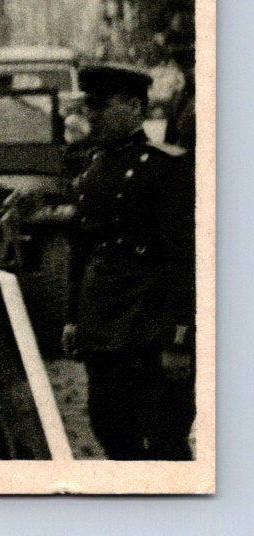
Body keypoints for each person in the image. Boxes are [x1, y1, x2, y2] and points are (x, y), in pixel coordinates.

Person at [62, 64, 196, 460]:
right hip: (104, 329)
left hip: (150, 327)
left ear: (134, 107)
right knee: (109, 427)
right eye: (89, 106)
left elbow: (186, 260)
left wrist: (180, 339)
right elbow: (82, 250)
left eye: (101, 106)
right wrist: (72, 318)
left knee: (165, 438)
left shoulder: (166, 168)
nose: (92, 115)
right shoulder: (92, 170)